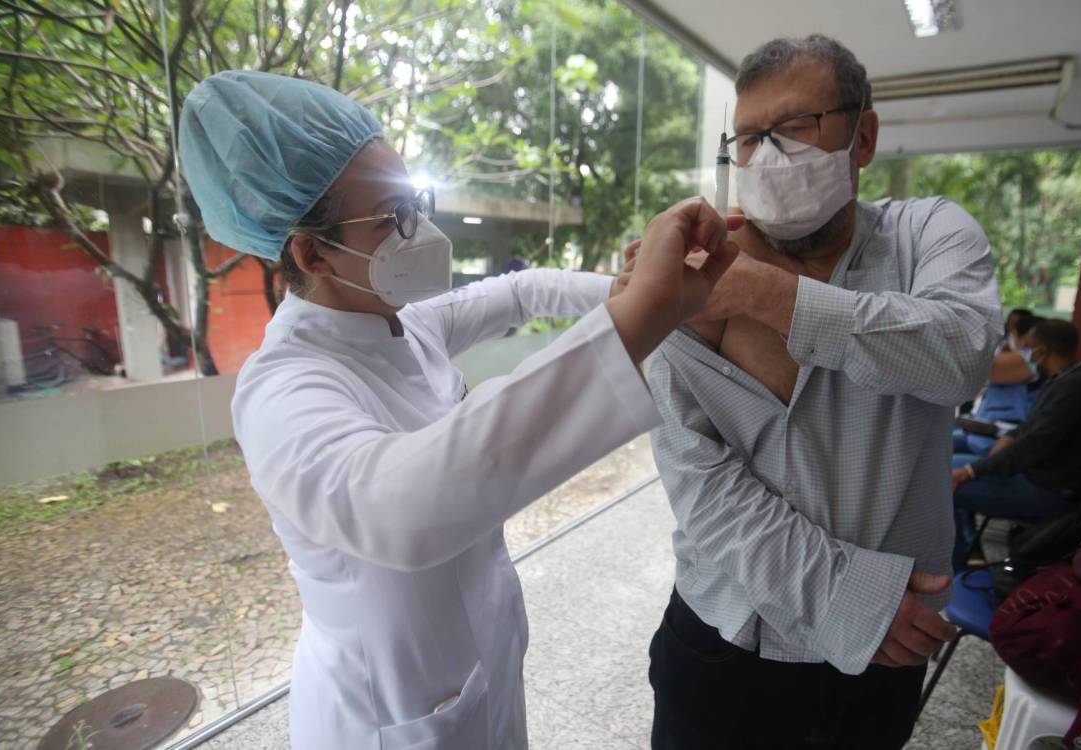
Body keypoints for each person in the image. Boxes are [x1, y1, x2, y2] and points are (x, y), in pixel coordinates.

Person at [178, 70, 740, 750]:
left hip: (474, 673)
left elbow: (523, 291)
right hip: (386, 713)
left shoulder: (403, 322)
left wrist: (627, 290)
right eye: (392, 218)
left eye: (416, 203)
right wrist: (640, 317)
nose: (419, 231)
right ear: (311, 251)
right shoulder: (281, 389)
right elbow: (397, 503)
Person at [640, 35, 1002, 749]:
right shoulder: (697, 277)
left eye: (796, 128)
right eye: (748, 138)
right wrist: (848, 598)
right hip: (725, 647)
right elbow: (701, 486)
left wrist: (773, 297)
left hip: (876, 665)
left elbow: (962, 352)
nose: (768, 156)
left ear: (862, 135)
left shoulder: (927, 232)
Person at [951, 319, 1081, 570]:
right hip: (1035, 474)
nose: (1025, 355)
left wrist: (972, 472)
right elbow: (1030, 428)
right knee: (949, 466)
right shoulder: (1065, 378)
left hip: (1047, 488)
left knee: (945, 484)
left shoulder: (1075, 387)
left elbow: (1033, 447)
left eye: (1029, 349)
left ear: (1043, 351)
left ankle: (955, 565)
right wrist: (1008, 438)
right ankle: (967, 546)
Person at [954, 312, 1043, 456]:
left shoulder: (1029, 360)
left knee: (940, 453)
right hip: (983, 433)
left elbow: (979, 370)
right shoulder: (1022, 357)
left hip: (993, 440)